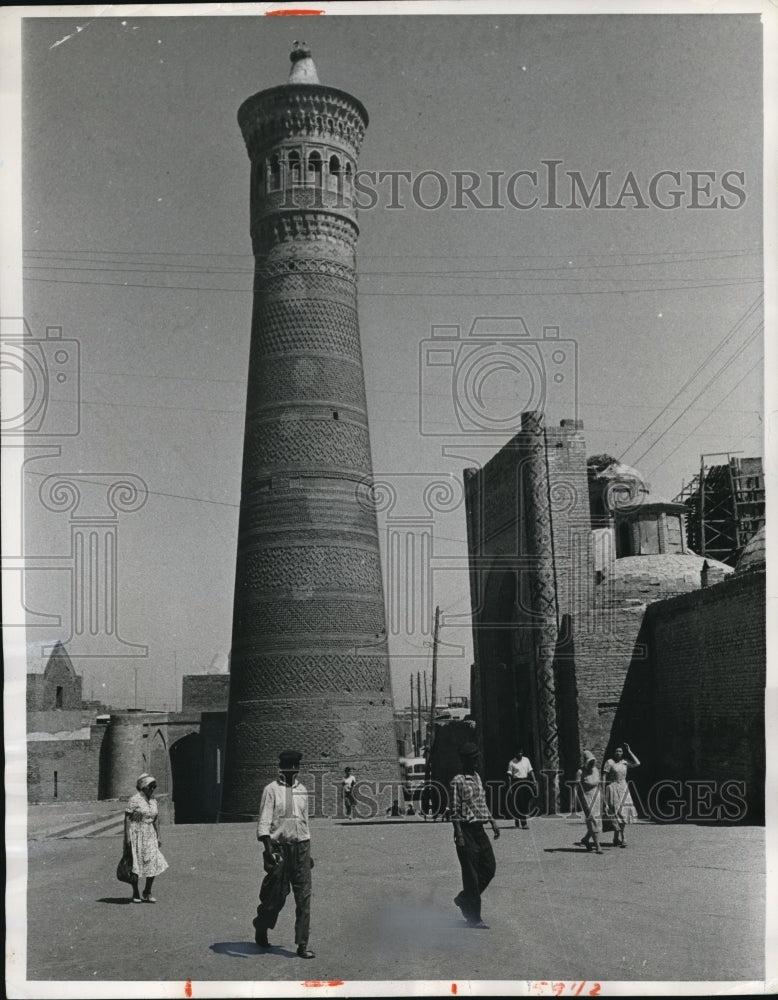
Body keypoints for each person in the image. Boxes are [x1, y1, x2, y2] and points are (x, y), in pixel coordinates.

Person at [253, 750, 315, 959]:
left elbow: (304, 822)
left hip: (301, 849)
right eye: (289, 765)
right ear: (282, 767)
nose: (293, 769)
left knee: (304, 898)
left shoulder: (303, 790)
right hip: (279, 849)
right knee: (275, 898)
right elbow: (264, 822)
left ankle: (302, 944)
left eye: (296, 766)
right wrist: (268, 849)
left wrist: (308, 853)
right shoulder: (271, 790)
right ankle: (261, 924)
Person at [450, 742, 500, 928]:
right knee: (471, 875)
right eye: (474, 759)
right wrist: (459, 835)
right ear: (466, 760)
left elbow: (482, 802)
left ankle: (464, 898)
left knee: (489, 868)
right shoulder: (458, 781)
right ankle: (474, 918)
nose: (477, 762)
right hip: (466, 831)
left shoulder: (477, 777)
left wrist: (492, 821)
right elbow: (454, 810)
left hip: (480, 830)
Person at [124, 773, 168, 903]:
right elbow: (127, 818)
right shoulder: (135, 799)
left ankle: (147, 891)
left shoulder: (153, 801)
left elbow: (156, 819)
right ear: (143, 787)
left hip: (150, 834)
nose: (153, 789)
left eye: (154, 786)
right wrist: (127, 837)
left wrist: (159, 835)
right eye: (150, 786)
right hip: (137, 833)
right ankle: (135, 892)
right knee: (135, 863)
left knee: (154, 861)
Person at [603, 743, 640, 847]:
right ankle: (618, 837)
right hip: (612, 788)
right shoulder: (609, 762)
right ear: (613, 752)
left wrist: (629, 751)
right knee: (615, 813)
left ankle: (620, 838)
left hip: (623, 788)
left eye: (620, 751)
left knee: (623, 813)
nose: (618, 753)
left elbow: (637, 763)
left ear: (622, 753)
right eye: (616, 751)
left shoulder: (625, 762)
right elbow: (604, 776)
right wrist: (603, 791)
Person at [576, 750, 604, 854]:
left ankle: (586, 839)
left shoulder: (596, 770)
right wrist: (576, 800)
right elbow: (576, 787)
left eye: (593, 762)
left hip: (596, 796)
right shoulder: (580, 772)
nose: (592, 764)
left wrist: (603, 797)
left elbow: (599, 784)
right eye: (590, 762)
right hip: (585, 797)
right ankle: (597, 845)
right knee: (592, 819)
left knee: (597, 819)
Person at [506, 747, 536, 829]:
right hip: (516, 782)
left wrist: (534, 780)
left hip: (525, 782)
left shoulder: (526, 760)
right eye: (518, 752)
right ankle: (524, 823)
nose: (520, 754)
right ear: (515, 753)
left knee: (525, 801)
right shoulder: (512, 762)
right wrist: (510, 787)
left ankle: (517, 817)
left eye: (521, 752)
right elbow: (509, 776)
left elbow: (530, 771)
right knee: (519, 802)